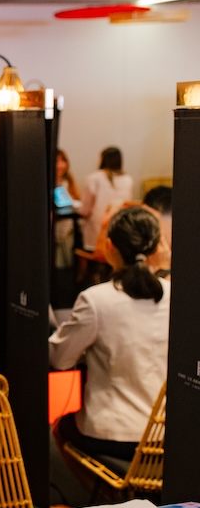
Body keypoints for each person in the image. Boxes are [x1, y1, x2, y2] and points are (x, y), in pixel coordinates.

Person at [50, 206, 169, 466]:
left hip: (112, 433)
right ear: (156, 248)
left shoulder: (96, 300)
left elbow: (60, 359)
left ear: (110, 246)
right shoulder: (176, 295)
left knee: (58, 427)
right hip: (164, 436)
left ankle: (103, 496)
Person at [80, 146, 133, 252]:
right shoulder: (128, 180)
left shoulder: (94, 178)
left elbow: (85, 211)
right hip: (120, 233)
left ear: (102, 159)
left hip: (97, 234)